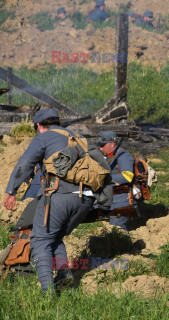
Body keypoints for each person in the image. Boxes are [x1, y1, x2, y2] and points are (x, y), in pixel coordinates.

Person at [3, 109, 111, 294]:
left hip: (60, 195)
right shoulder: (78, 137)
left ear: (38, 125)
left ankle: (48, 293)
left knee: (39, 240)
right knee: (54, 237)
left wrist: (11, 191)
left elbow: (26, 163)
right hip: (86, 200)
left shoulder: (44, 137)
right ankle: (63, 273)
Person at [96, 131, 135, 231]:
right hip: (109, 199)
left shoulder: (123, 156)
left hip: (121, 200)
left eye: (102, 145)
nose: (100, 148)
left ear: (112, 144)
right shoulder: (107, 157)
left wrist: (103, 178)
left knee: (117, 230)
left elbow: (127, 176)